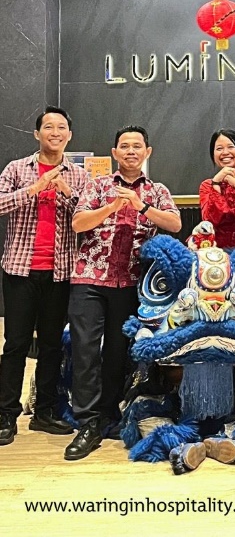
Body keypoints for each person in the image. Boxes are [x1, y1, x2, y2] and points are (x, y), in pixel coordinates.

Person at [64, 126, 181, 460]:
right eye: (125, 146)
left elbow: (174, 224)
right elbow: (78, 223)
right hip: (89, 278)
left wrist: (141, 207)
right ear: (115, 152)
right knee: (85, 350)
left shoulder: (157, 190)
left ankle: (107, 413)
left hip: (130, 283)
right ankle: (87, 422)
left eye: (137, 146)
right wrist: (112, 207)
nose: (131, 151)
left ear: (147, 152)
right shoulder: (98, 185)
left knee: (118, 352)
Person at [0, 107, 89, 446]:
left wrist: (66, 192)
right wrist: (34, 188)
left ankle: (45, 411)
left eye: (61, 127)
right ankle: (6, 414)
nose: (55, 132)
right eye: (48, 127)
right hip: (20, 270)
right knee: (16, 344)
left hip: (60, 272)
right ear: (37, 134)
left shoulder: (78, 175)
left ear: (69, 135)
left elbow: (87, 217)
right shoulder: (17, 168)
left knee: (52, 345)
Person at [199, 129, 235, 249]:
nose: (225, 152)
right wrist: (216, 183)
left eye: (230, 147)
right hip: (219, 251)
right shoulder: (207, 185)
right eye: (219, 149)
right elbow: (209, 221)